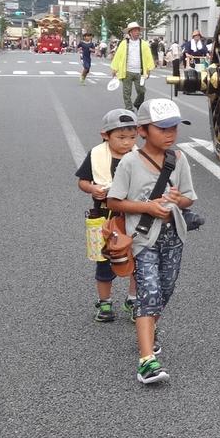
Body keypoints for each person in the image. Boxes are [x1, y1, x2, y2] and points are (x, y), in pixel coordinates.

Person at [107, 99, 197, 386]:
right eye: (162, 128)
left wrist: (175, 200)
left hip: (174, 236)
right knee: (150, 293)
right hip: (143, 238)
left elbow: (188, 198)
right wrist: (148, 207)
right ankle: (147, 361)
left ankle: (148, 328)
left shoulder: (178, 160)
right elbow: (114, 200)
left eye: (174, 128)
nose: (170, 134)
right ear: (143, 130)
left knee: (165, 291)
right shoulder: (130, 162)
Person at [75, 109, 139, 322]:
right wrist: (92, 189)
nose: (127, 143)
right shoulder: (96, 154)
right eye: (121, 137)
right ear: (105, 135)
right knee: (104, 261)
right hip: (104, 219)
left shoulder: (139, 157)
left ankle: (133, 300)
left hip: (133, 218)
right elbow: (82, 181)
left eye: (132, 137)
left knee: (137, 262)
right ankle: (105, 303)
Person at [110, 22, 154, 110]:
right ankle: (129, 108)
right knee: (127, 92)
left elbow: (149, 56)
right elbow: (118, 56)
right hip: (127, 71)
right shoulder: (124, 43)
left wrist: (149, 69)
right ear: (130, 32)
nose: (137, 32)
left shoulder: (144, 44)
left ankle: (137, 103)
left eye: (138, 30)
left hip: (140, 72)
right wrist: (115, 69)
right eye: (135, 31)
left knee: (141, 91)